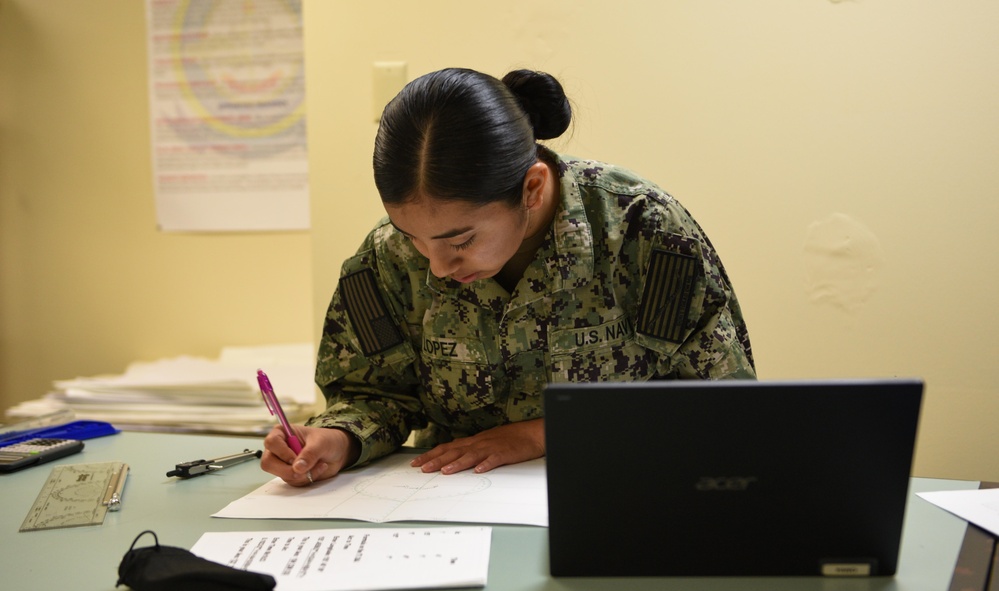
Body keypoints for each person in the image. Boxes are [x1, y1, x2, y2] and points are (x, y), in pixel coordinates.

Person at [261, 67, 755, 487]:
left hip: (624, 494)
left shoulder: (641, 232)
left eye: (460, 242)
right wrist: (339, 438)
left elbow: (721, 406)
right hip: (452, 510)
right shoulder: (386, 257)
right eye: (412, 236)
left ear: (533, 189)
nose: (436, 267)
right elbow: (375, 394)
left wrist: (542, 435)